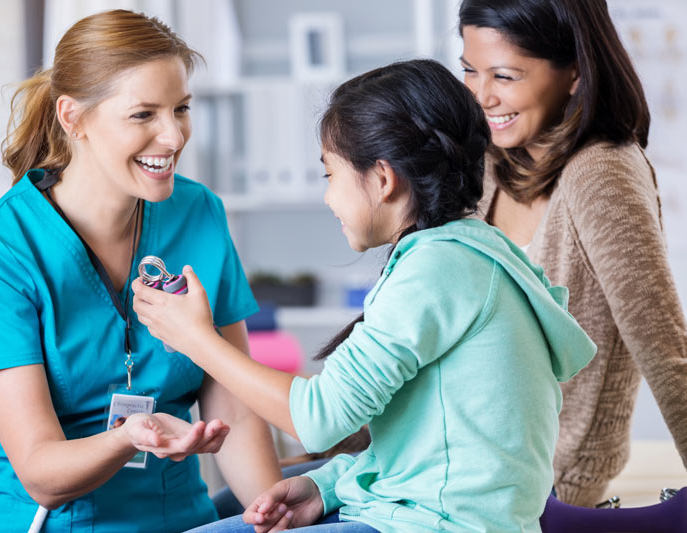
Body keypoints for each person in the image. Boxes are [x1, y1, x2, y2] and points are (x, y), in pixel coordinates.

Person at [133, 59, 597, 532]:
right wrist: (325, 487)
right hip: (437, 513)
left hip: (437, 525)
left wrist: (195, 338)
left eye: (329, 175)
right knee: (234, 502)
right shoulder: (468, 255)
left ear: (382, 178)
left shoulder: (437, 270)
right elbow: (425, 447)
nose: (329, 198)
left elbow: (318, 420)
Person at [0, 9, 280, 532]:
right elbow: (41, 473)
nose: (172, 137)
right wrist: (130, 435)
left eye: (181, 109)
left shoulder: (199, 213)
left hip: (179, 521)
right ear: (73, 118)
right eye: (143, 115)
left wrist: (272, 518)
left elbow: (234, 411)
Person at [458, 0, 687, 507]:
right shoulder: (493, 166)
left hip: (544, 483)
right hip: (462, 462)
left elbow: (664, 345)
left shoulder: (601, 172)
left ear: (576, 74)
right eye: (470, 71)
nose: (481, 96)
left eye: (505, 75)